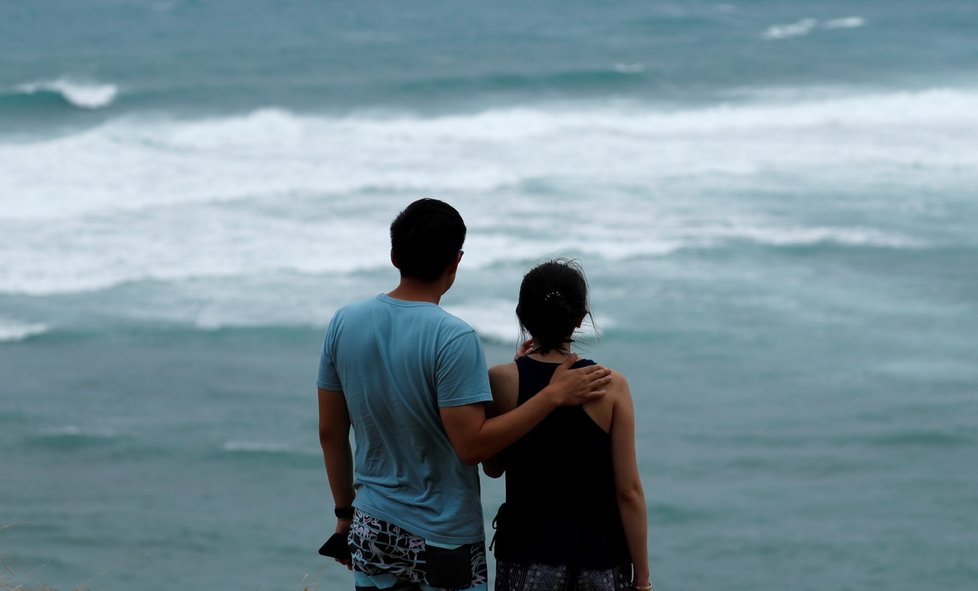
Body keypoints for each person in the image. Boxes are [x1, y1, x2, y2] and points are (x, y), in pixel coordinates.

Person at [317, 199, 612, 591]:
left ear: (393, 255)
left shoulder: (343, 323)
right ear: (455, 262)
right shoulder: (454, 337)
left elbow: (330, 433)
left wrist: (343, 512)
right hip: (443, 536)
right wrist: (552, 395)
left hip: (371, 525)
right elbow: (471, 446)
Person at [484, 259, 651, 591]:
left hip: (525, 555)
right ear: (579, 319)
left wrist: (522, 371)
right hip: (600, 558)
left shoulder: (501, 381)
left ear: (522, 316)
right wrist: (642, 579)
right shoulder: (611, 384)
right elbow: (628, 492)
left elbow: (493, 467)